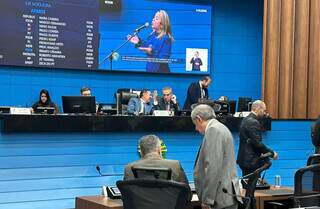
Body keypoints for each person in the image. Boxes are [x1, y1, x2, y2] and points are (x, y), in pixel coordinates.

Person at [191, 104, 240, 209]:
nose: (196, 128)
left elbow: (213, 167)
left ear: (199, 119)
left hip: (219, 199)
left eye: (195, 124)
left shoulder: (213, 130)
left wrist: (207, 199)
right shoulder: (222, 128)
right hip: (226, 196)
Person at [237, 100, 278, 176]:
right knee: (252, 186)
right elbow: (257, 143)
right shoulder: (253, 122)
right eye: (264, 110)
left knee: (247, 184)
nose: (265, 113)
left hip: (244, 159)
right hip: (250, 161)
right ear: (258, 109)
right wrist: (272, 153)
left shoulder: (245, 119)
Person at [123, 134, 188, 184]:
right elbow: (187, 194)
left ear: (141, 152)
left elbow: (126, 196)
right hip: (168, 201)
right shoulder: (175, 165)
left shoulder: (128, 168)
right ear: (159, 150)